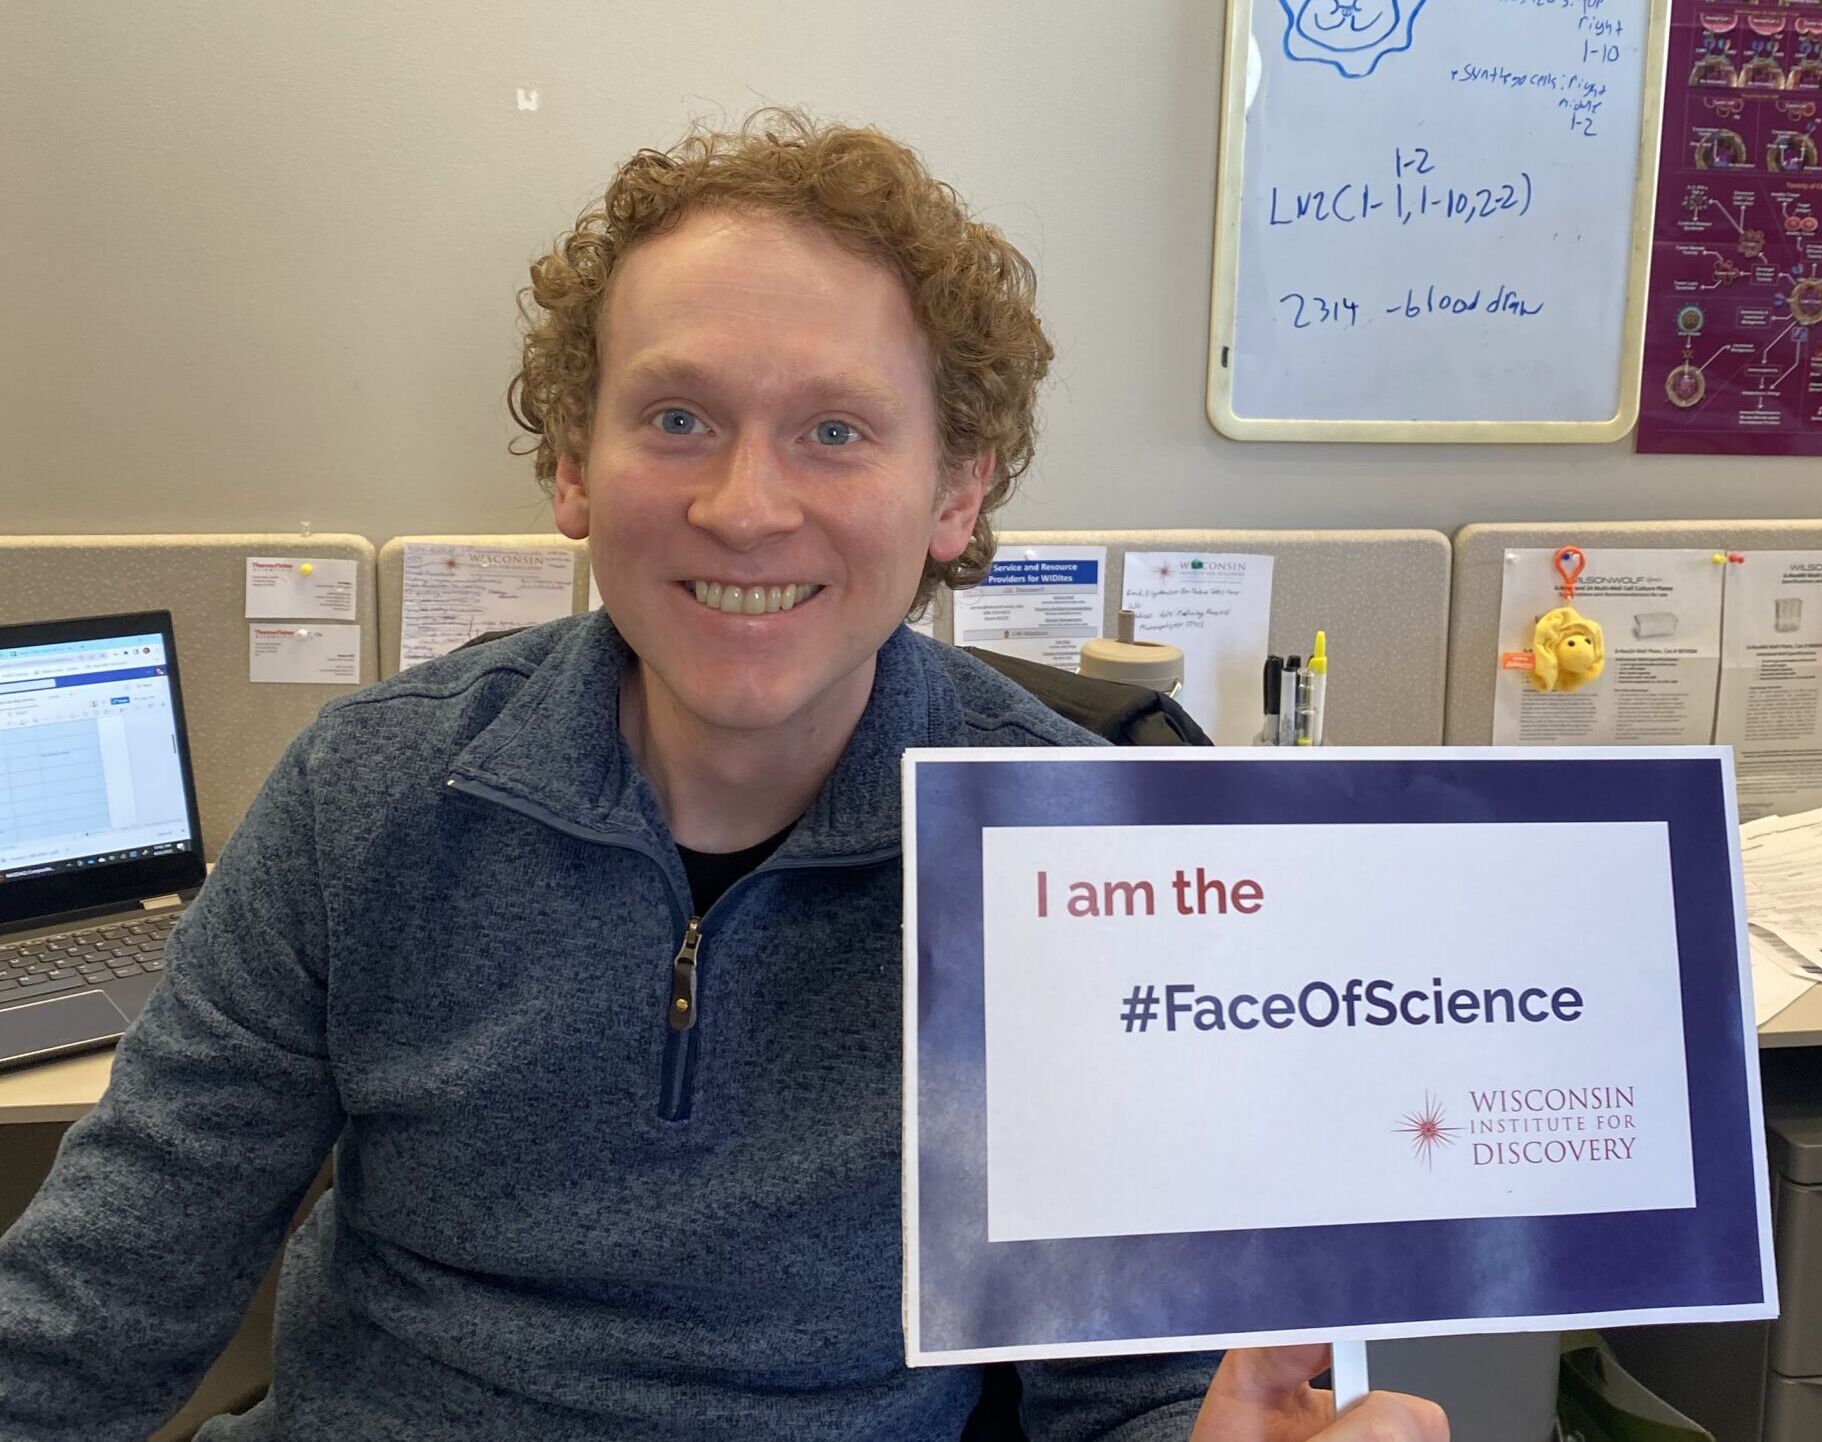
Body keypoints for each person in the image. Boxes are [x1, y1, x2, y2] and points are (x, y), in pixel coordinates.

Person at [0, 111, 1447, 1442]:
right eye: (678, 417)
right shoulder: (366, 797)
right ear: (574, 466)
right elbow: (90, 1314)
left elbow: (1130, 1390)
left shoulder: (1077, 857)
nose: (745, 507)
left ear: (955, 492)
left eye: (836, 430)